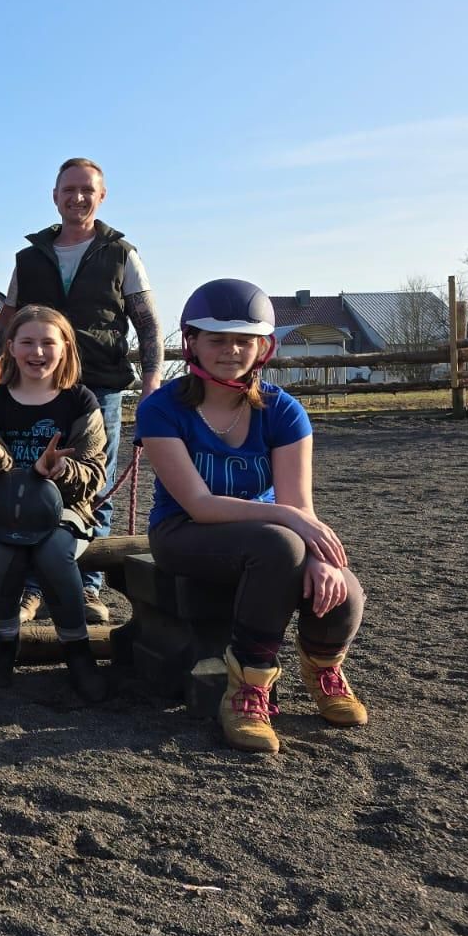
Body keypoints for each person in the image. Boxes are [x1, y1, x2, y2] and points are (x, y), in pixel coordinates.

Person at [137, 279, 366, 753]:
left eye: (244, 340)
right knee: (279, 546)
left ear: (264, 346)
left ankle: (323, 667)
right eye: (217, 339)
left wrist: (320, 558)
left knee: (343, 588)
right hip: (184, 531)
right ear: (192, 342)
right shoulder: (161, 408)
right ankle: (247, 688)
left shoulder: (284, 411)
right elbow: (199, 504)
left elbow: (298, 505)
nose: (232, 350)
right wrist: (293, 522)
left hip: (269, 532)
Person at [0, 158, 163, 624]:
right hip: (38, 383)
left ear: (101, 196)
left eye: (87, 190)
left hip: (99, 383)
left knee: (92, 484)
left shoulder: (121, 254)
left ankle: (85, 586)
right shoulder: (28, 259)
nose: (78, 197)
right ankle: (33, 589)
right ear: (55, 196)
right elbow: (7, 322)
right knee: (31, 479)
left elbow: (148, 323)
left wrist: (152, 381)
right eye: (69, 190)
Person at [0, 306, 109, 702]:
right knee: (1, 550)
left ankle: (77, 650)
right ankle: (4, 642)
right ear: (10, 347)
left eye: (48, 342)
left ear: (65, 348)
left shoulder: (81, 401)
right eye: (27, 342)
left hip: (64, 507)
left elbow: (94, 473)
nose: (37, 351)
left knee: (55, 550)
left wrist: (59, 470)